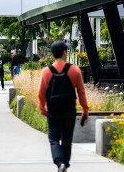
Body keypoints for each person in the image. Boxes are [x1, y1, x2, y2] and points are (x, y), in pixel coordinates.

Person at [38, 40, 89, 172]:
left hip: (53, 111)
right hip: (69, 111)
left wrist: (42, 108)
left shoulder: (46, 71)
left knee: (54, 138)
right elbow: (81, 92)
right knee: (67, 139)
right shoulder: (74, 70)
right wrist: (85, 110)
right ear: (65, 52)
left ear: (53, 54)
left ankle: (59, 163)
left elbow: (41, 93)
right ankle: (65, 164)